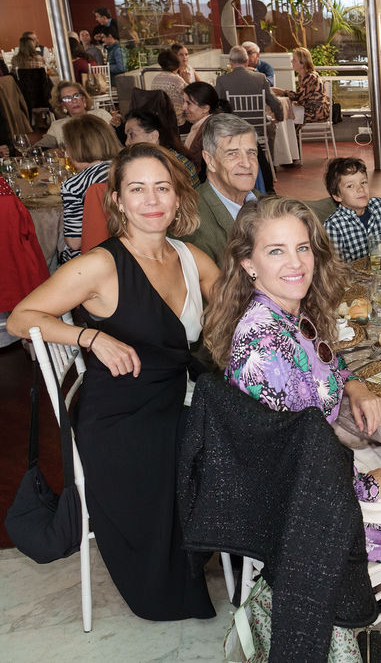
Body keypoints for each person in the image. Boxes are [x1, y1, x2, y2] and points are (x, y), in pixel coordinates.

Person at [8, 142, 220, 621]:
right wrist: (90, 337)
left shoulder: (189, 257)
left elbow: (236, 305)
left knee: (244, 425)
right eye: (137, 189)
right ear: (119, 200)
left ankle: (230, 543)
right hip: (121, 417)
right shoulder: (101, 264)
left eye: (162, 187)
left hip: (176, 394)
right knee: (227, 442)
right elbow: (22, 318)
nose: (152, 200)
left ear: (178, 196)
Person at [203, 196, 381, 569]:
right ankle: (372, 584)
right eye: (276, 251)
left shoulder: (288, 310)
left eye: (302, 248)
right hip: (296, 507)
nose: (296, 263)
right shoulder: (265, 343)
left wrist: (355, 386)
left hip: (320, 469)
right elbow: (293, 455)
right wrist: (368, 486)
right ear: (249, 263)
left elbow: (326, 359)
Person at [182, 114, 260, 266]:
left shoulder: (264, 202)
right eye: (232, 154)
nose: (246, 164)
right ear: (210, 161)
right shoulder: (192, 222)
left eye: (251, 153)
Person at [58, 114, 122, 262]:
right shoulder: (125, 169)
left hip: (91, 261)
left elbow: (75, 243)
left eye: (67, 146)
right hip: (129, 250)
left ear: (74, 149)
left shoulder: (73, 185)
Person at [125, 109, 200, 188]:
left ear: (153, 136)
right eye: (126, 136)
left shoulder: (173, 166)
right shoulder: (164, 159)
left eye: (131, 134)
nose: (127, 142)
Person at [216, 45, 283, 129]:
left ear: (230, 62)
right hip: (259, 128)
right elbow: (275, 102)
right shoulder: (261, 78)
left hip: (234, 129)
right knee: (270, 126)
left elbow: (217, 106)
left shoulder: (222, 80)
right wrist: (279, 118)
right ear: (247, 61)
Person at [41, 81, 116, 148]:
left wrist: (118, 125)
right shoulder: (57, 126)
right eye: (67, 98)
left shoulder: (100, 115)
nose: (74, 101)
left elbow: (116, 140)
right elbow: (41, 148)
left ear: (83, 99)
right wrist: (52, 150)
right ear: (62, 105)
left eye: (76, 96)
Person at [271, 46, 330, 124]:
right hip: (311, 110)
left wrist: (278, 91)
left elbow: (298, 97)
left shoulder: (311, 77)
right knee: (285, 112)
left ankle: (284, 132)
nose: (292, 61)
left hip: (317, 113)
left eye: (294, 60)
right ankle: (287, 131)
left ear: (302, 63)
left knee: (284, 113)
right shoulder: (303, 76)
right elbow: (302, 97)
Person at [182, 81, 231, 169]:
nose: (183, 107)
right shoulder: (202, 125)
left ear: (205, 108)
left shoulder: (210, 131)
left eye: (188, 103)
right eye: (184, 102)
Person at [151, 49, 188, 127]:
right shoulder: (178, 80)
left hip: (161, 123)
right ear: (177, 64)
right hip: (178, 123)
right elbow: (192, 97)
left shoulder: (155, 79)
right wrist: (187, 80)